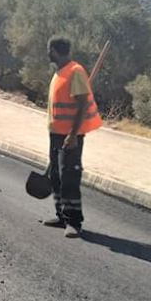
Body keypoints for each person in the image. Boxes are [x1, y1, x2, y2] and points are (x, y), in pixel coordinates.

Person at [42, 37, 103, 238]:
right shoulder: (60, 73)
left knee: (69, 177)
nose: (47, 53)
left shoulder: (75, 71)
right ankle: (61, 216)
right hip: (56, 134)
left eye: (49, 50)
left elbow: (83, 104)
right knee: (57, 177)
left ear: (55, 51)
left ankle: (74, 222)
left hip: (70, 137)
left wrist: (73, 135)